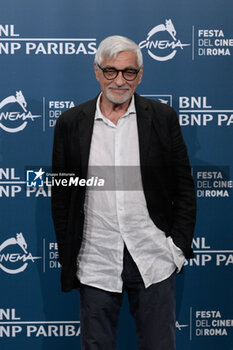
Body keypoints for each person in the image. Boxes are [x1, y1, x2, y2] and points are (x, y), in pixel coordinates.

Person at [52, 35, 196, 350]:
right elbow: (61, 196)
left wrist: (176, 249)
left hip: (153, 257)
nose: (119, 80)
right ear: (96, 71)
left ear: (140, 75)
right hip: (96, 259)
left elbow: (184, 188)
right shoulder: (70, 123)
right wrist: (69, 255)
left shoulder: (162, 118)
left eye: (128, 72)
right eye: (110, 71)